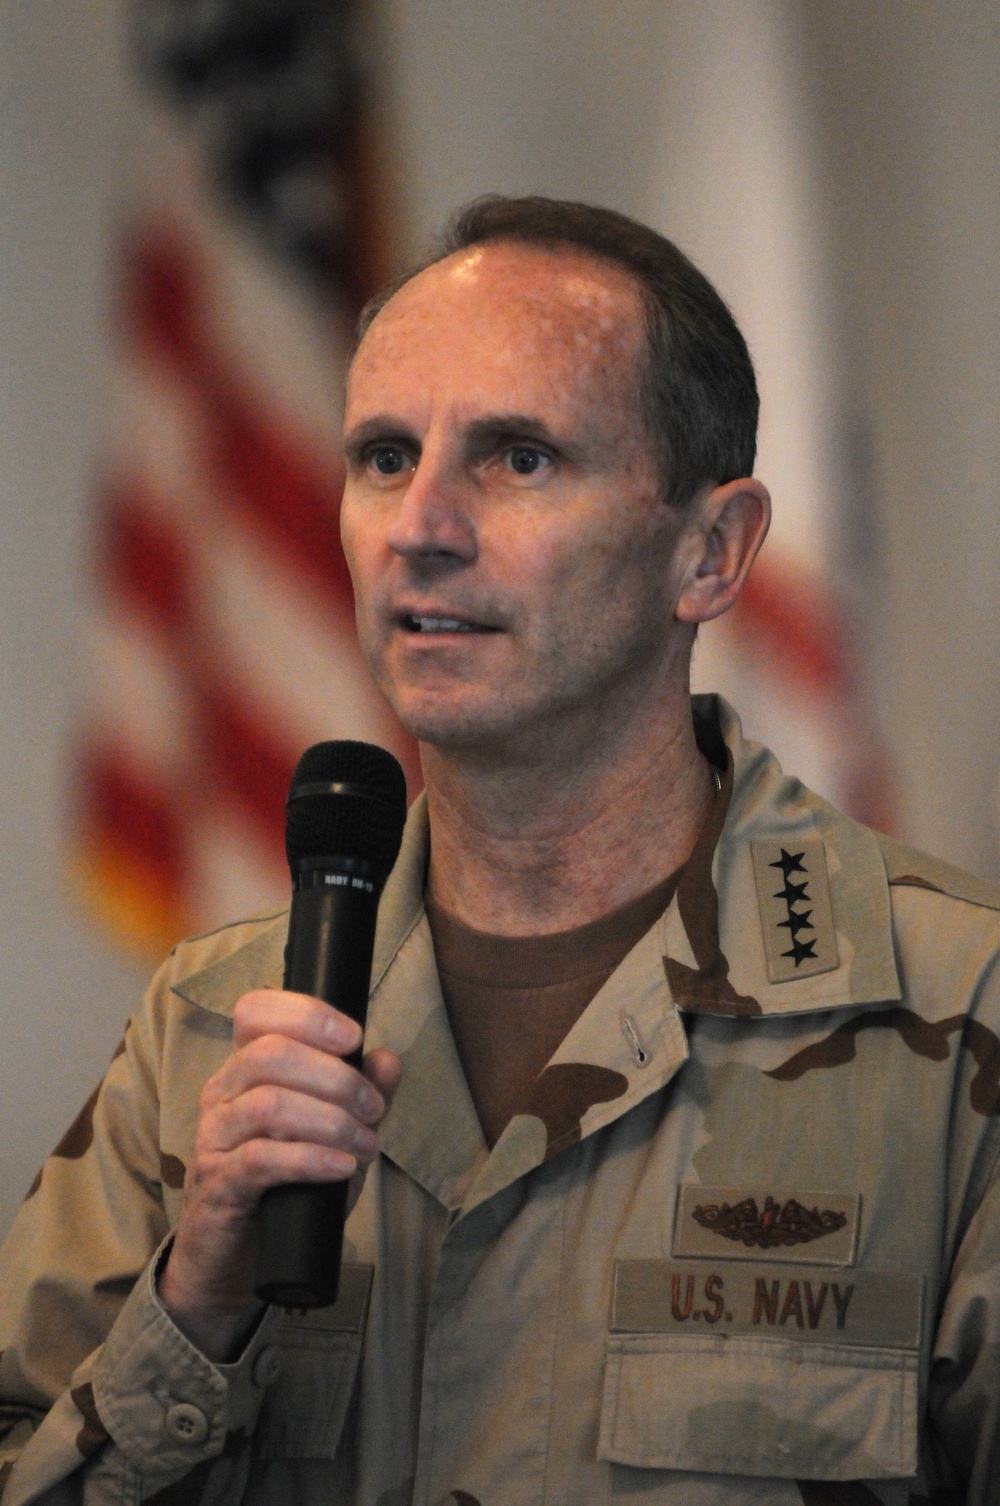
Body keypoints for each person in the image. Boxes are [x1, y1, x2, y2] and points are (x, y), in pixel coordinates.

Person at [1, 196, 999, 1506]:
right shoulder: (210, 1028)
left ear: (711, 549)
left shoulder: (950, 1010)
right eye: (382, 456)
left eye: (518, 457)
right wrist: (195, 1305)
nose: (420, 525)